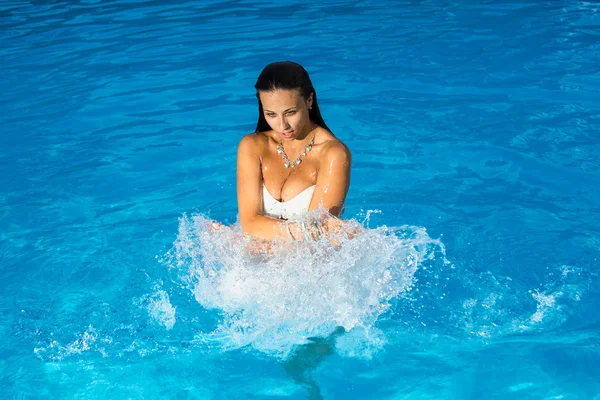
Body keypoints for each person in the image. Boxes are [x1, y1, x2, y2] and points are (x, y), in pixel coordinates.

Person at [236, 61, 352, 242]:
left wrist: (263, 239)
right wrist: (300, 231)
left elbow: (315, 238)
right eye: (271, 114)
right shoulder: (253, 146)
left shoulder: (333, 154)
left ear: (309, 100)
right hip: (264, 258)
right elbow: (249, 223)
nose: (282, 126)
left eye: (290, 112)